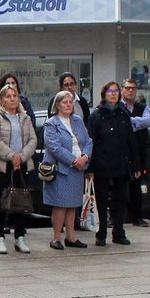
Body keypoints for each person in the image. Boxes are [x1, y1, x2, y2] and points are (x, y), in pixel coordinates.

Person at [0, 84, 37, 255]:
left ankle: (20, 238)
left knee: (20, 202)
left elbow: (32, 140)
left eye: (14, 95)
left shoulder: (25, 117)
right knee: (2, 202)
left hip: (21, 165)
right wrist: (11, 156)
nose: (12, 99)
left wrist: (21, 157)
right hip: (2, 165)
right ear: (1, 99)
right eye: (8, 96)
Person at [88, 82, 141, 247]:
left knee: (120, 199)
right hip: (101, 163)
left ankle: (119, 231)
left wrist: (136, 165)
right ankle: (101, 232)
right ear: (104, 94)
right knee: (102, 200)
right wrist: (89, 168)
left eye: (116, 91)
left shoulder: (123, 114)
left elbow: (131, 141)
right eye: (110, 91)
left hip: (121, 163)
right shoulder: (96, 115)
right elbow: (90, 142)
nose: (114, 94)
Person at [41, 90, 91, 250]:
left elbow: (88, 141)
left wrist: (85, 157)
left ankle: (71, 237)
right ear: (57, 105)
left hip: (78, 169)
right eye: (65, 102)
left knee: (72, 204)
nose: (68, 105)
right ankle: (56, 238)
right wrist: (73, 160)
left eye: (70, 102)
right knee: (60, 204)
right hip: (61, 170)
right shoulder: (51, 123)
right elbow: (54, 147)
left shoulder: (78, 121)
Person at [121, 79, 150, 227]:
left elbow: (149, 120)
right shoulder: (117, 106)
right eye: (127, 88)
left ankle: (137, 216)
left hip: (138, 153)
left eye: (133, 88)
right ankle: (117, 217)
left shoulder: (143, 107)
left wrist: (130, 121)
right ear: (122, 90)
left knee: (136, 185)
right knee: (118, 186)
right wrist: (136, 123)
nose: (130, 91)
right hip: (121, 152)